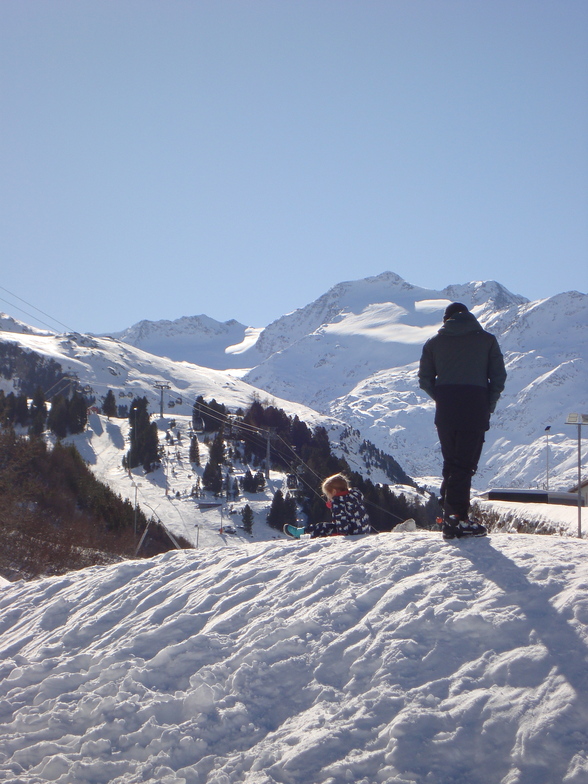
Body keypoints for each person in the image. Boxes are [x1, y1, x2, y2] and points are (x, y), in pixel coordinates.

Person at [418, 302, 507, 540]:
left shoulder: (434, 343)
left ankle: (450, 516)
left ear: (446, 319)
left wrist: (444, 398)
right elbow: (498, 378)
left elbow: (425, 380)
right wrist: (487, 404)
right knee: (464, 465)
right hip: (475, 407)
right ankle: (456, 521)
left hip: (446, 410)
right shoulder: (487, 340)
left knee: (452, 462)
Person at [284, 473, 372, 538]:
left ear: (334, 492)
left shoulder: (338, 504)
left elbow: (342, 523)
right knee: (327, 526)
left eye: (328, 495)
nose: (328, 497)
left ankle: (300, 533)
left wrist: (338, 535)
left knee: (322, 527)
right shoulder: (353, 497)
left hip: (351, 533)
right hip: (363, 531)